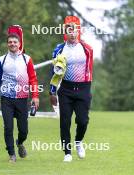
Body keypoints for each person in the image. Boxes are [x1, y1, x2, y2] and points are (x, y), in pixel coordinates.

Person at [0, 25, 39, 163]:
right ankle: (12, 154)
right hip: (6, 98)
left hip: (22, 99)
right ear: (7, 44)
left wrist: (35, 96)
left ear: (19, 44)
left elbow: (33, 79)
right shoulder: (2, 60)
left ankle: (20, 142)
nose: (12, 44)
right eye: (10, 42)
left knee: (23, 130)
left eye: (15, 42)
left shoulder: (27, 59)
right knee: (8, 127)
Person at [49, 16, 93, 162]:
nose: (72, 33)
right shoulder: (59, 49)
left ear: (78, 31)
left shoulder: (87, 49)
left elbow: (90, 69)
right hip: (66, 89)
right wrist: (52, 91)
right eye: (69, 29)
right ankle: (67, 152)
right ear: (65, 31)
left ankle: (78, 141)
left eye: (75, 30)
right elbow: (54, 72)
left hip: (83, 88)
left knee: (83, 120)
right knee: (65, 122)